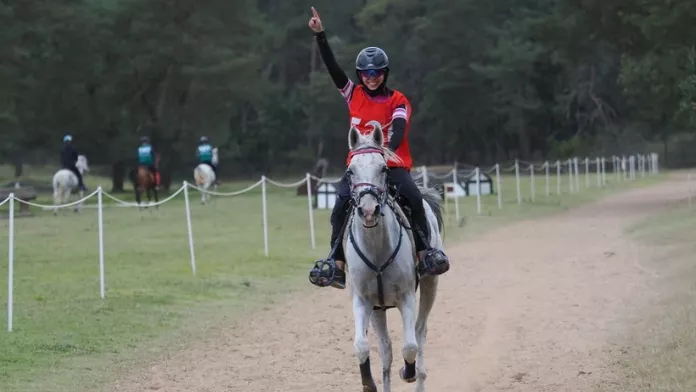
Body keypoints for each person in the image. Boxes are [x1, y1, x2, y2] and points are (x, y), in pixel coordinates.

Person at [306, 7, 450, 290]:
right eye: (365, 73)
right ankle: (336, 265)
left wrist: (383, 152)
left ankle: (425, 255)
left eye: (376, 72)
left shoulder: (398, 100)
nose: (371, 77)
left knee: (414, 200)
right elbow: (334, 70)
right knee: (338, 208)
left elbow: (398, 130)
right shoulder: (353, 94)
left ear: (385, 73)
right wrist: (320, 36)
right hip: (359, 169)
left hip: (391, 166)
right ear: (360, 75)